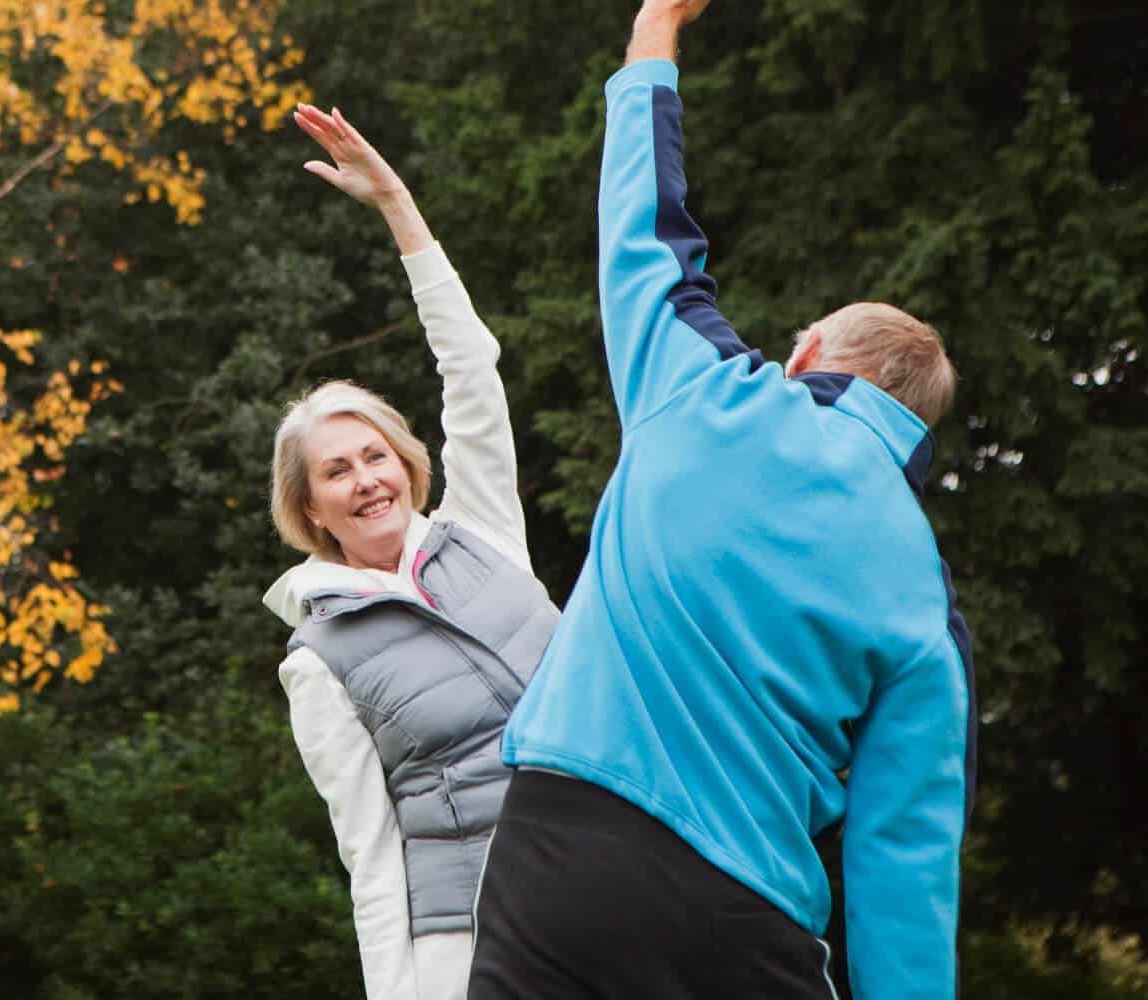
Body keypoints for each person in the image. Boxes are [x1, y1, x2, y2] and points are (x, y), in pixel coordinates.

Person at [466, 2, 975, 999]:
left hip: (564, 854)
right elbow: (902, 872)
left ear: (807, 356)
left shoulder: (698, 387)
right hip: (744, 916)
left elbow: (643, 218)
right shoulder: (926, 605)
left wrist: (655, 25)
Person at [264, 103, 561, 1000]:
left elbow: (470, 367)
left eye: (375, 456)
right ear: (310, 506)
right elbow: (370, 847)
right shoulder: (317, 659)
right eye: (337, 471)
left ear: (407, 463)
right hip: (474, 937)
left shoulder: (482, 529)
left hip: (604, 867)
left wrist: (396, 204)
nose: (365, 480)